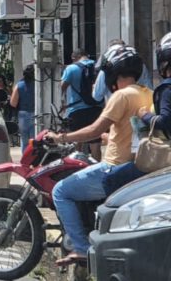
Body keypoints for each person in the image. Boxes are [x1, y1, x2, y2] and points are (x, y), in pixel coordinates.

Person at [46, 45, 152, 266]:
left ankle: (81, 248)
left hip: (114, 167)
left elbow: (93, 130)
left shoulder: (121, 96)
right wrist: (107, 138)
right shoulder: (147, 93)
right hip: (136, 167)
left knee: (61, 191)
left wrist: (60, 137)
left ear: (113, 73)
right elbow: (128, 133)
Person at [103, 33, 171, 194]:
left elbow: (165, 121)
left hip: (163, 155)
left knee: (110, 178)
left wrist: (144, 116)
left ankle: (114, 218)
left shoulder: (167, 89)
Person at [61, 49, 105, 160]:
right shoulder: (97, 67)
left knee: (76, 142)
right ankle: (96, 168)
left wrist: (63, 103)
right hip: (96, 109)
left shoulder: (71, 68)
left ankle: (76, 168)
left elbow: (62, 87)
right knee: (95, 143)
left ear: (75, 57)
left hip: (76, 110)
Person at [9, 65, 36, 152]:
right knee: (34, 141)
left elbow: (13, 103)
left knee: (25, 142)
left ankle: (25, 161)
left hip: (23, 115)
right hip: (36, 114)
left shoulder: (19, 85)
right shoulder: (39, 85)